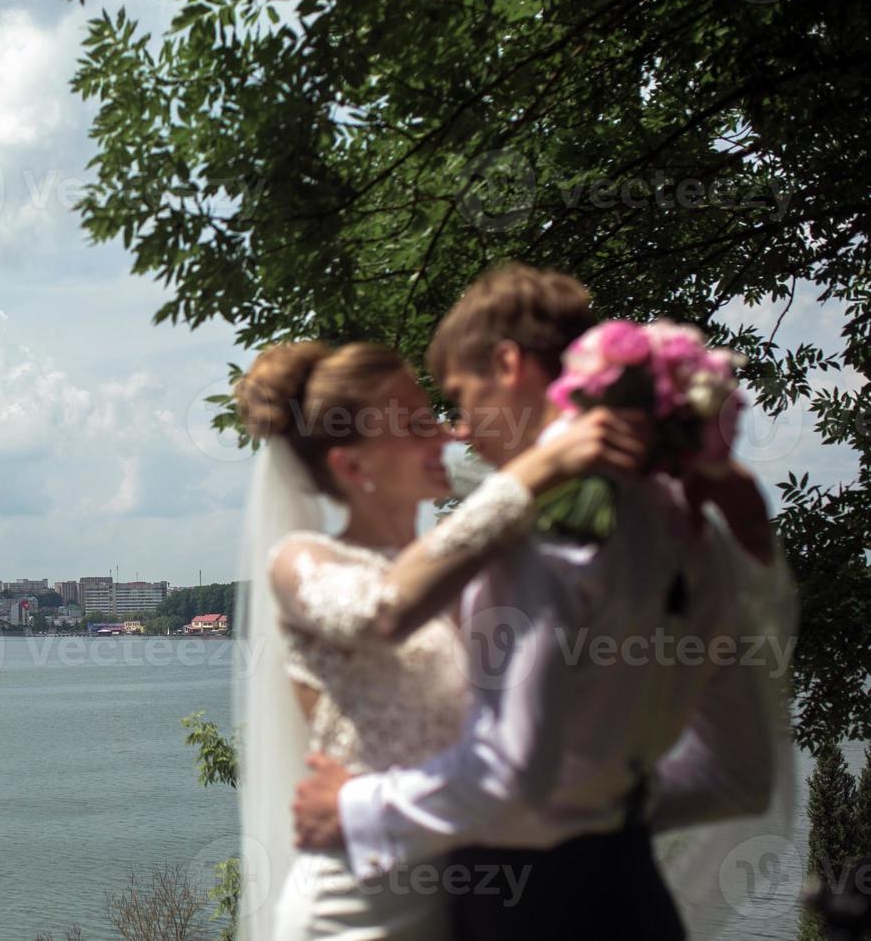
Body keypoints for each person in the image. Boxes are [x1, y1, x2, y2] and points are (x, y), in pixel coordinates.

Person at [285, 264, 795, 941]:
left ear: (508, 364)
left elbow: (509, 775)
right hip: (637, 905)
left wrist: (355, 808)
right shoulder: (690, 515)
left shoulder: (541, 533)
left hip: (527, 910)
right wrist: (604, 811)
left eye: (462, 395)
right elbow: (739, 775)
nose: (460, 429)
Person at [233, 330, 650, 940]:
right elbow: (381, 610)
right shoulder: (300, 563)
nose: (448, 434)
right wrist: (537, 470)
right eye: (415, 425)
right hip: (356, 909)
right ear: (352, 466)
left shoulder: (460, 570)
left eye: (434, 416)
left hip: (459, 896)